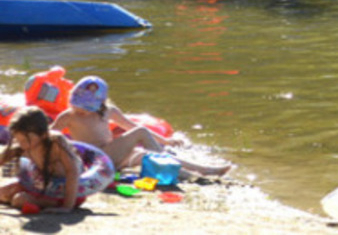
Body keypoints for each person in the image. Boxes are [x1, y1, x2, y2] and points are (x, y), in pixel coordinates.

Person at [50, 76, 231, 178]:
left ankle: (203, 169)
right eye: (77, 106)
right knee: (141, 133)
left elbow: (131, 126)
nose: (80, 111)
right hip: (96, 157)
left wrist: (166, 140)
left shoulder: (109, 112)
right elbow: (50, 135)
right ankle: (180, 172)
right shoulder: (68, 116)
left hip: (114, 156)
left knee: (144, 152)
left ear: (100, 104)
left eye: (86, 108)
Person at [0, 106, 114, 213]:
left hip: (66, 192)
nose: (22, 144)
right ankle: (37, 201)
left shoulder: (55, 142)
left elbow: (72, 172)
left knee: (19, 200)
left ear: (43, 135)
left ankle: (49, 203)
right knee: (2, 193)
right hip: (41, 185)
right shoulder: (23, 145)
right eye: (19, 140)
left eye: (25, 140)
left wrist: (67, 207)